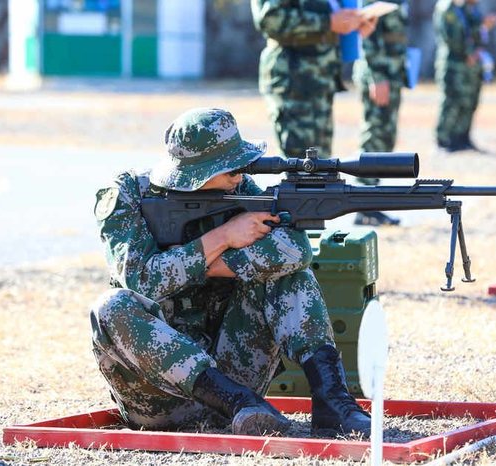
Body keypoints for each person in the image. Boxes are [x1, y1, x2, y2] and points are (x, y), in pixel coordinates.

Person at [90, 108, 371, 437]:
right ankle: (235, 400)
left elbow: (295, 251)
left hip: (241, 386)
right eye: (232, 168)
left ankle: (333, 402)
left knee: (289, 275)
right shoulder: (127, 195)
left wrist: (210, 266)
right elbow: (142, 281)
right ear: (197, 173)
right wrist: (224, 237)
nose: (241, 173)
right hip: (157, 400)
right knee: (111, 305)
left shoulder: (238, 187)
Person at [251, 0, 377, 159]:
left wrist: (354, 25)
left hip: (321, 81)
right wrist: (328, 21)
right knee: (298, 163)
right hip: (293, 82)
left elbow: (327, 20)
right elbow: (270, 20)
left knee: (320, 163)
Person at [351, 0, 408, 226]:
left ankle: (371, 202)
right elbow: (367, 34)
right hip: (379, 77)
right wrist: (377, 77)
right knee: (374, 135)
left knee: (385, 138)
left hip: (391, 75)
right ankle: (363, 205)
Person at [433, 0, 496, 152]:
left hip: (471, 66)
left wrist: (484, 26)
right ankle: (444, 141)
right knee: (451, 102)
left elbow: (474, 32)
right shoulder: (447, 7)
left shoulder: (468, 8)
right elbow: (450, 36)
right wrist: (468, 53)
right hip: (453, 64)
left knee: (468, 102)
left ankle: (461, 139)